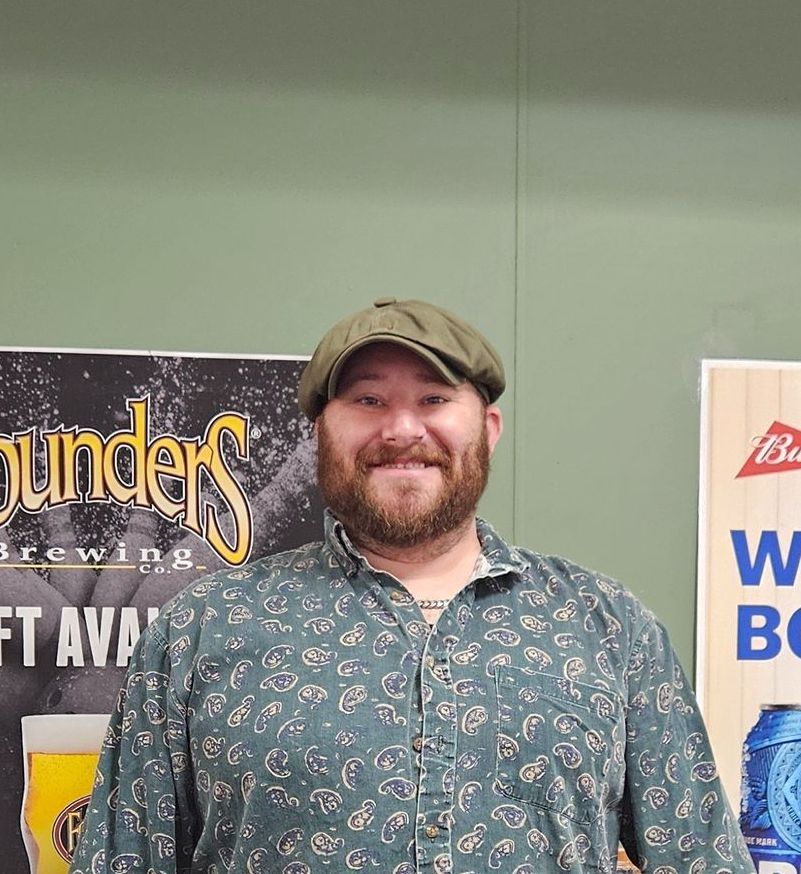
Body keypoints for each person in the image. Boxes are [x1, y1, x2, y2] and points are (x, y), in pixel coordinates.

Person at [70, 298, 755, 874]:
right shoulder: (202, 628)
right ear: (320, 433)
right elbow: (121, 857)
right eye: (367, 400)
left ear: (486, 428)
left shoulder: (608, 626)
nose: (401, 428)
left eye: (433, 398)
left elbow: (700, 859)